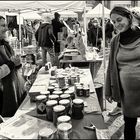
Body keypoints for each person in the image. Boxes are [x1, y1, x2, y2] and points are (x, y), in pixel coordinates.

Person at [105, 6, 140, 139]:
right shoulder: (115, 41)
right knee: (129, 126)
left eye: (119, 20)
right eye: (114, 22)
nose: (117, 24)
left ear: (129, 17)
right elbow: (111, 67)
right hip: (128, 95)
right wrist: (108, 90)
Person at [0, 15, 26, 117]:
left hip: (14, 89)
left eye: (5, 25)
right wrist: (11, 64)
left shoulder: (5, 44)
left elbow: (15, 65)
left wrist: (18, 63)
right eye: (2, 26)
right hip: (4, 96)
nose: (6, 28)